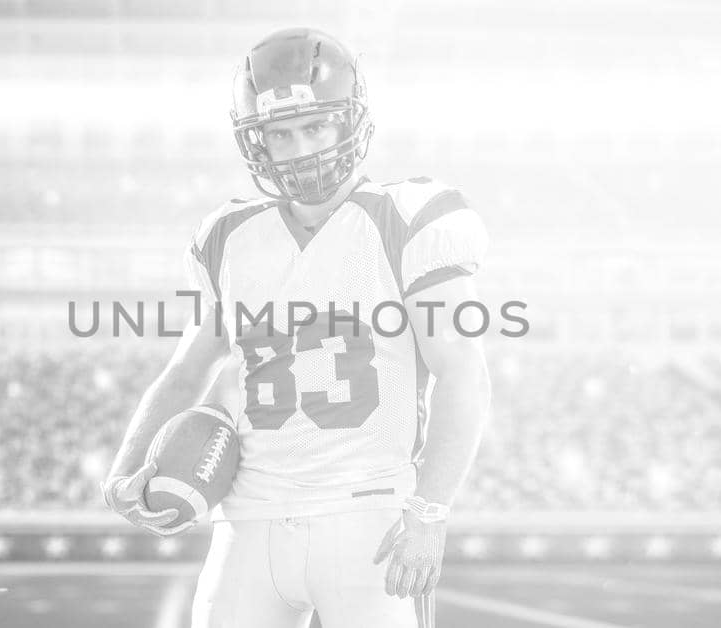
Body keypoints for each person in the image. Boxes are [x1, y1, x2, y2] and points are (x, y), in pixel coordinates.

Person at [103, 27, 492, 628]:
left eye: (316, 126)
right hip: (250, 516)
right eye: (281, 134)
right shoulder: (228, 236)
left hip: (370, 515)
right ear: (257, 143)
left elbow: (462, 371)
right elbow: (185, 371)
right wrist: (127, 467)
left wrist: (429, 510)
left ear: (350, 123)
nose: (301, 148)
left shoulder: (408, 218)